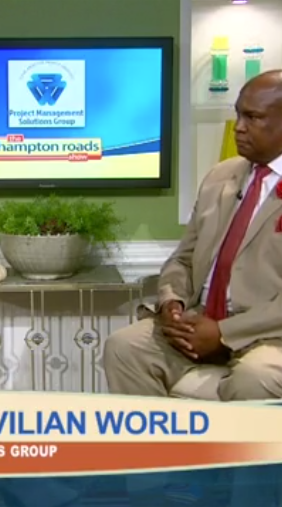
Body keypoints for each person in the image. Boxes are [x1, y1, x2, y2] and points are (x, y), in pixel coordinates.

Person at [103, 70, 282, 401]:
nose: (239, 127)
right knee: (124, 347)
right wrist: (173, 303)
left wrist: (223, 332)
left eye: (253, 117)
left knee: (255, 377)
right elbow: (183, 259)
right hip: (201, 318)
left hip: (268, 334)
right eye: (239, 115)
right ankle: (156, 438)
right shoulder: (221, 176)